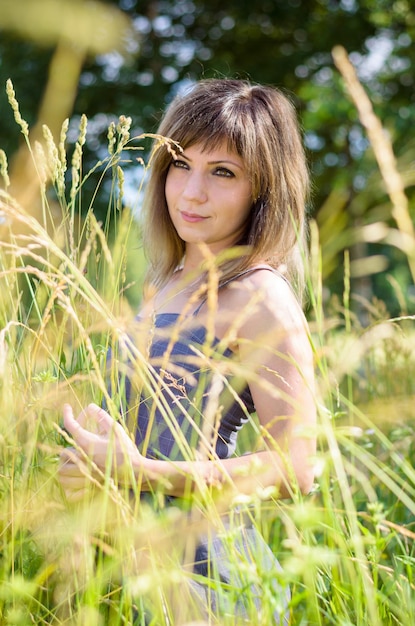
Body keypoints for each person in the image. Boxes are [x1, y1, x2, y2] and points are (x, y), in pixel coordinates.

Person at [58, 78, 316, 624]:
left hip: (210, 585)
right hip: (132, 574)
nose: (191, 192)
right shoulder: (167, 280)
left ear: (263, 188)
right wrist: (91, 462)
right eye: (180, 165)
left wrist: (139, 471)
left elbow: (295, 468)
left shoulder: (260, 293)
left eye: (222, 172)